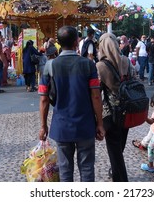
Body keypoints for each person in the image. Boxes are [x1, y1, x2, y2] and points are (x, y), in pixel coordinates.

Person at [38, 26, 105, 182]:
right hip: (85, 125)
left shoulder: (49, 66)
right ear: (77, 42)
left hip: (61, 126)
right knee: (87, 167)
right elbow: (96, 96)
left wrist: (43, 126)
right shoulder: (88, 65)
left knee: (65, 169)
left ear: (59, 43)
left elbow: (43, 99)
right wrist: (100, 123)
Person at [96, 33, 135, 182]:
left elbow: (97, 92)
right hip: (128, 109)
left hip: (110, 114)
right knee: (120, 146)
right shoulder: (126, 60)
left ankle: (120, 180)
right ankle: (116, 172)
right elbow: (134, 79)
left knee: (114, 149)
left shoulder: (100, 66)